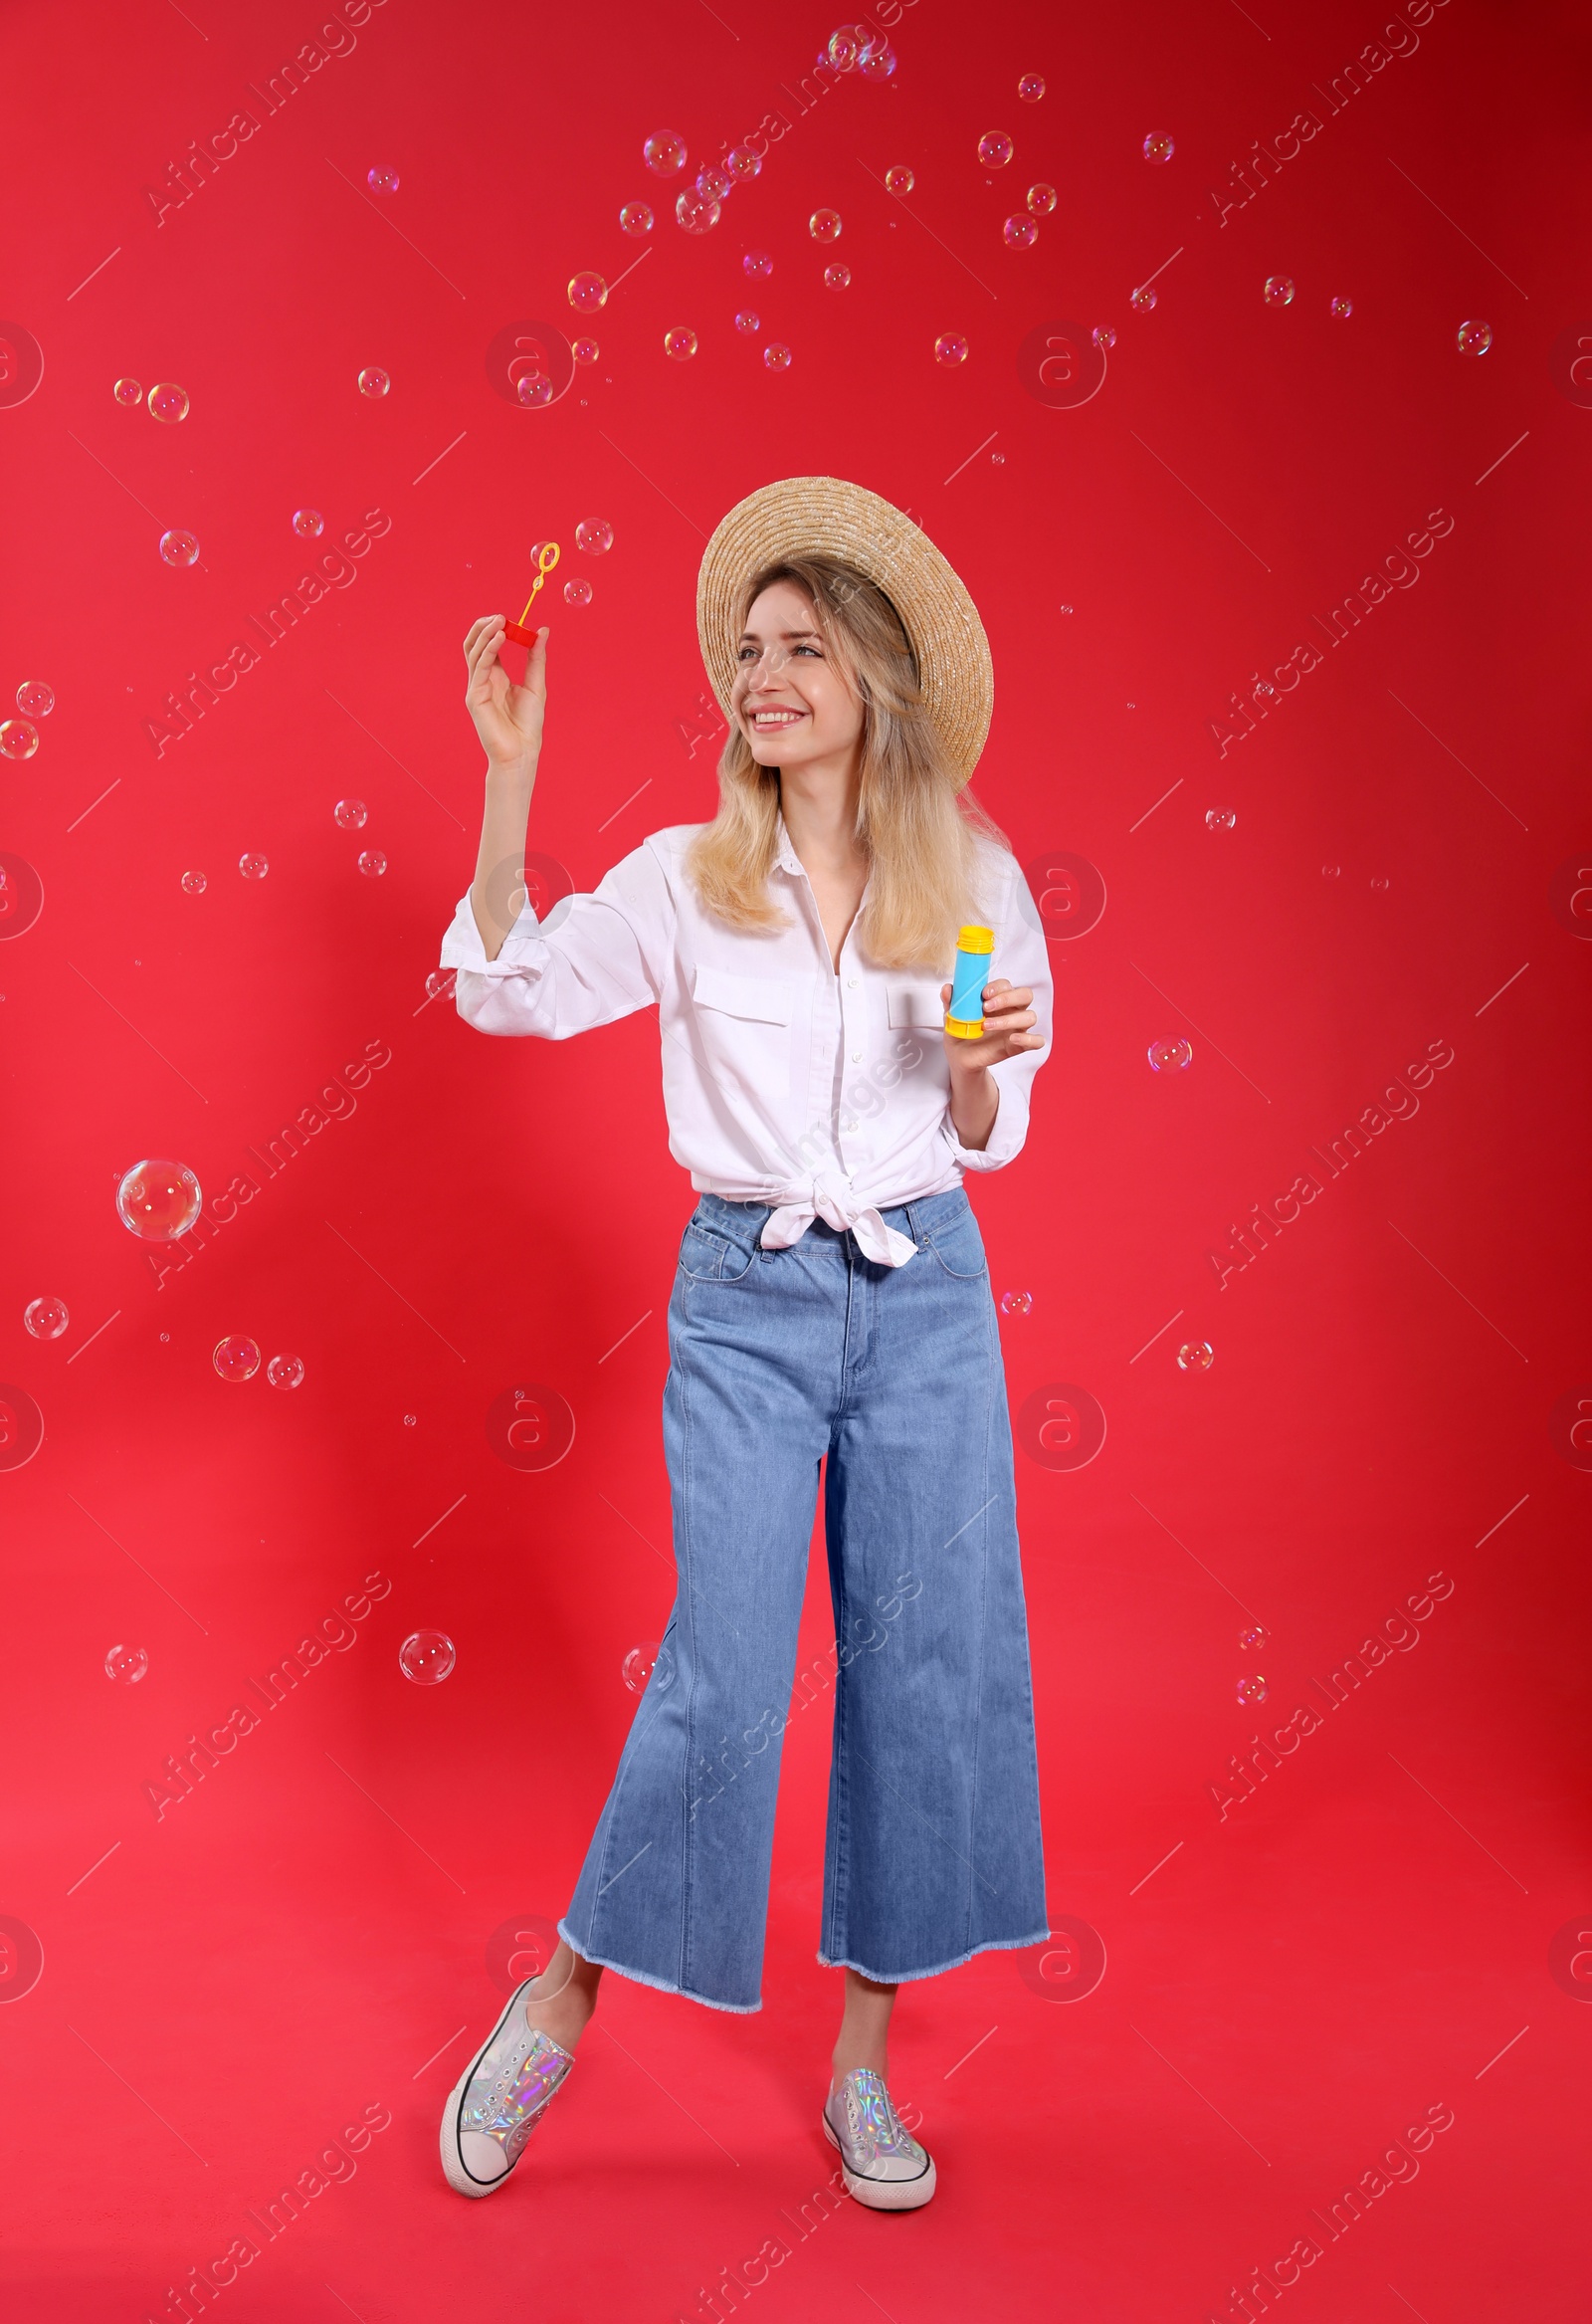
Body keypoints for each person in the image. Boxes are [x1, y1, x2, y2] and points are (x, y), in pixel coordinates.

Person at [434, 476, 1051, 2212]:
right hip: (750, 1302)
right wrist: (510, 775)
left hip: (926, 1293)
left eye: (800, 650)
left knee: (925, 1670)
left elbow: (992, 1117)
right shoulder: (686, 879)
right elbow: (509, 986)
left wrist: (985, 1063)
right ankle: (559, 1996)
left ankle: (862, 2066)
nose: (761, 679)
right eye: (750, 653)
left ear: (875, 677)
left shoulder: (978, 875)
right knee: (728, 1665)